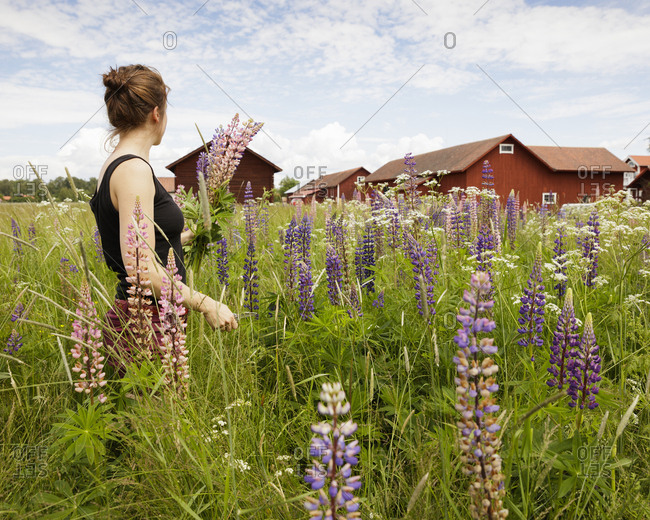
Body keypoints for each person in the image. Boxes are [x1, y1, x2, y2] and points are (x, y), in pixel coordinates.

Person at [90, 64, 237, 369]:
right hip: (147, 321)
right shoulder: (133, 170)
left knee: (136, 417)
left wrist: (189, 235)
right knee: (158, 416)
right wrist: (206, 303)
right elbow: (142, 269)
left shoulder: (113, 165)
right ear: (156, 113)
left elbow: (142, 243)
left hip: (139, 316)